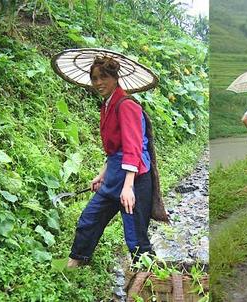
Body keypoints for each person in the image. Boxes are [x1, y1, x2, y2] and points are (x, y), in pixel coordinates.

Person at [67, 57, 156, 267]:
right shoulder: (107, 106)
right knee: (89, 219)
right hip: (115, 177)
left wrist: (128, 187)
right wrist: (102, 174)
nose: (98, 83)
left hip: (134, 179)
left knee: (135, 236)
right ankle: (75, 263)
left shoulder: (126, 105)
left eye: (104, 77)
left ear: (115, 78)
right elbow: (114, 151)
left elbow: (132, 148)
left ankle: (147, 278)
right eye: (94, 78)